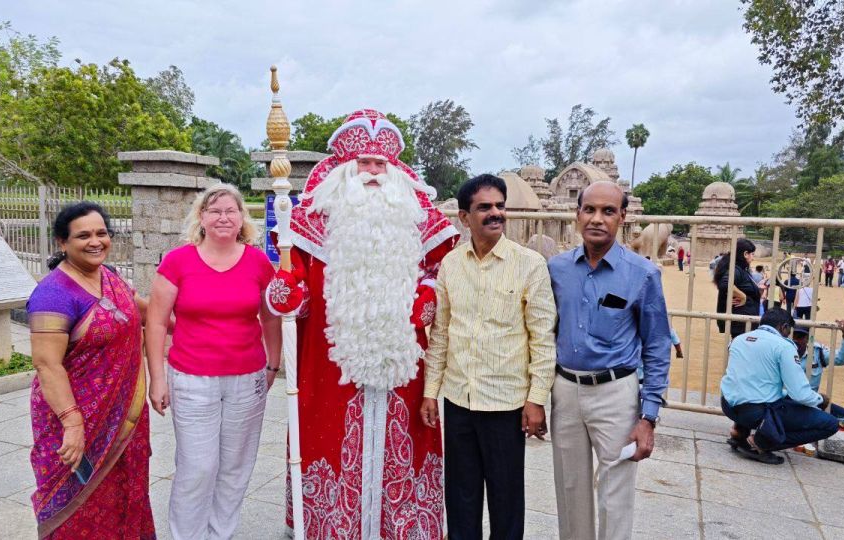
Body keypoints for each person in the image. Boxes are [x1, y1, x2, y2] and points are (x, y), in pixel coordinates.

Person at [266, 110, 459, 539]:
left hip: (403, 365)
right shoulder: (306, 225)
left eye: (380, 164)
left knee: (405, 445)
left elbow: (441, 271)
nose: (373, 173)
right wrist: (287, 293)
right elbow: (295, 289)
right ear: (344, 170)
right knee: (331, 443)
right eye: (364, 163)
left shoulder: (418, 219)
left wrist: (426, 297)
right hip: (330, 367)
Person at [421, 174, 556, 540]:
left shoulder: (529, 264)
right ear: (465, 217)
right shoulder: (451, 265)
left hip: (506, 403)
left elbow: (543, 340)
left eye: (500, 205)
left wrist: (536, 400)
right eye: (485, 207)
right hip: (459, 398)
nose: (495, 213)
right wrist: (431, 391)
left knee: (506, 497)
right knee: (461, 496)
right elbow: (442, 333)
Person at [145, 183, 281, 539]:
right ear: (202, 217)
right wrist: (157, 378)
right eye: (215, 211)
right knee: (197, 466)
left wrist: (273, 364)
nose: (223, 217)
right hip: (192, 379)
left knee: (236, 466)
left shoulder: (258, 262)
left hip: (247, 378)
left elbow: (270, 317)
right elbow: (157, 322)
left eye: (230, 211)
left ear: (242, 219)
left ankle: (221, 533)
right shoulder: (178, 262)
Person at [548, 181, 671, 540]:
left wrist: (648, 417)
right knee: (570, 489)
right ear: (577, 214)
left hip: (617, 392)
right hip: (565, 390)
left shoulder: (642, 274)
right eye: (589, 210)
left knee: (616, 493)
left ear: (623, 217)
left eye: (608, 211)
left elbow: (657, 345)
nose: (597, 219)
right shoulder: (556, 270)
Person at [28, 202, 155, 538]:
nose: (95, 241)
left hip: (124, 414)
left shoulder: (110, 278)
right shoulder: (53, 294)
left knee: (127, 486)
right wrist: (72, 423)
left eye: (101, 233)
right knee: (80, 499)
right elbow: (46, 363)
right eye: (83, 235)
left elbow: (151, 314)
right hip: (75, 417)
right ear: (62, 243)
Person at [720, 309, 839, 464]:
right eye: (789, 331)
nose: (789, 335)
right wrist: (819, 399)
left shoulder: (739, 339)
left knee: (758, 391)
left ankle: (739, 432)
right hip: (755, 412)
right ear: (784, 327)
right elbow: (800, 394)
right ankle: (761, 442)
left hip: (728, 405)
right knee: (830, 424)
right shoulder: (783, 346)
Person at [792, 325, 844, 416]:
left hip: (812, 402)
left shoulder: (817, 352)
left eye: (799, 337)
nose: (795, 341)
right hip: (787, 404)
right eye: (792, 336)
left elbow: (842, 358)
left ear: (807, 338)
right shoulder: (778, 352)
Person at [713, 239, 761, 338]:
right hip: (741, 323)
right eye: (752, 254)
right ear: (745, 254)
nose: (753, 258)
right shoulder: (736, 269)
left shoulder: (741, 269)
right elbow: (725, 284)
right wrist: (742, 296)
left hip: (745, 321)